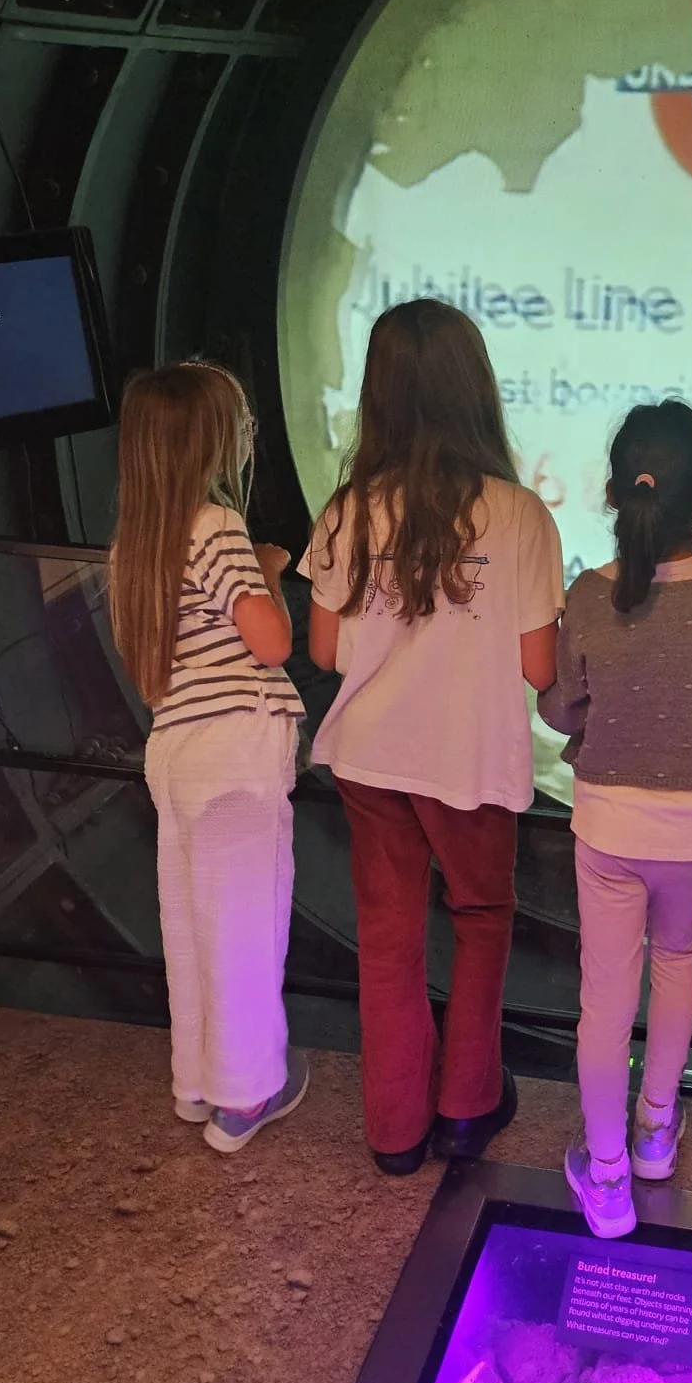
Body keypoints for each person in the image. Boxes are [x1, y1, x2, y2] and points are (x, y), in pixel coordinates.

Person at [302, 300, 563, 1176]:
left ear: (378, 395)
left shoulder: (346, 509)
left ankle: (394, 1132)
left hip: (370, 756)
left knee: (387, 936)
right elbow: (537, 667)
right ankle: (465, 1107)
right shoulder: (521, 514)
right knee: (482, 920)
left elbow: (327, 650)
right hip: (467, 760)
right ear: (474, 389)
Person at [538, 401, 692, 1237]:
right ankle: (656, 1132)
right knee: (677, 966)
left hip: (607, 828)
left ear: (613, 493)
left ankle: (606, 1176)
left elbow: (564, 713)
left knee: (604, 1000)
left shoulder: (587, 593)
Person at [109, 362, 308, 1153]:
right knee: (247, 930)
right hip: (235, 750)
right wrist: (264, 572)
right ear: (212, 441)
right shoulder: (213, 526)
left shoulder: (134, 546)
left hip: (177, 752)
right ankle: (245, 1097)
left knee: (192, 926)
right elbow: (271, 641)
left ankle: (196, 1084)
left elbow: (151, 665)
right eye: (243, 424)